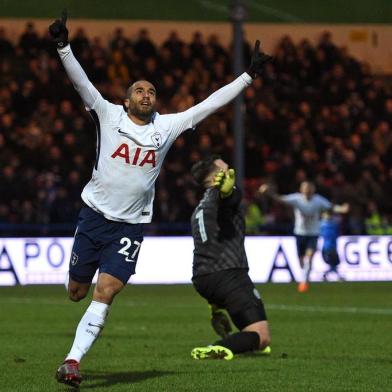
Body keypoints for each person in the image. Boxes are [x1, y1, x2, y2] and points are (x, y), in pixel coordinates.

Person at [48, 11, 272, 387]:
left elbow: (209, 104)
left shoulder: (166, 127)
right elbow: (83, 84)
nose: (146, 95)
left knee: (107, 291)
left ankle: (72, 360)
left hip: (131, 226)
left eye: (151, 91)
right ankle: (77, 326)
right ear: (127, 98)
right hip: (93, 216)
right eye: (139, 90)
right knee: (76, 292)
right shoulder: (107, 114)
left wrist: (248, 76)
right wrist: (62, 46)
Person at [189, 156, 271, 360]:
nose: (230, 169)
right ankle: (216, 348)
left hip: (203, 278)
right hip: (228, 274)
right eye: (225, 166)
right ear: (217, 175)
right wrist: (228, 192)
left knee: (250, 334)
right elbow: (229, 198)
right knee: (262, 337)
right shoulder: (220, 196)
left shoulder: (201, 207)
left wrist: (215, 302)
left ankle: (220, 312)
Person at [259, 181, 348, 292]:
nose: (308, 191)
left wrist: (341, 209)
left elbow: (330, 207)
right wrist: (270, 193)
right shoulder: (297, 199)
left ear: (313, 190)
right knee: (301, 261)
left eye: (309, 188)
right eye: (306, 188)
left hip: (313, 234)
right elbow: (281, 199)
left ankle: (304, 282)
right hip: (300, 233)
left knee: (309, 257)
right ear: (301, 190)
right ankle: (305, 274)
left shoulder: (318, 200)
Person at [320, 209, 344, 281]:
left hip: (333, 247)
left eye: (329, 214)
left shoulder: (333, 224)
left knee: (335, 264)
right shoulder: (323, 224)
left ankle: (326, 275)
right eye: (326, 214)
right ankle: (337, 276)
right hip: (327, 248)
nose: (328, 216)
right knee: (333, 263)